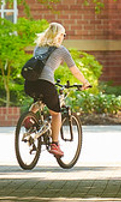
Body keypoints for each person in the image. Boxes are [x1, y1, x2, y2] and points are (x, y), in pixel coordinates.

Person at [23, 22, 93, 158]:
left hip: (30, 83)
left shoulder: (38, 47)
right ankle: (55, 144)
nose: (64, 37)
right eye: (63, 35)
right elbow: (75, 70)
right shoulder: (61, 50)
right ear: (59, 36)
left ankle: (28, 117)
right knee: (56, 114)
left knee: (40, 100)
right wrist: (84, 82)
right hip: (46, 83)